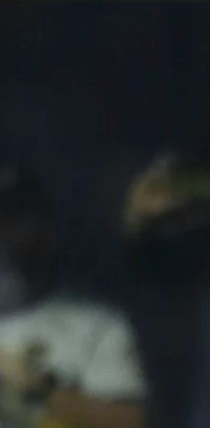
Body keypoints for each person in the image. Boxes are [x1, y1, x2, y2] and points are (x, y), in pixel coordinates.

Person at [0, 164, 147, 428]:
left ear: (46, 229)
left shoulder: (97, 326)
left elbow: (130, 421)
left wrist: (32, 387)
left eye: (9, 219)